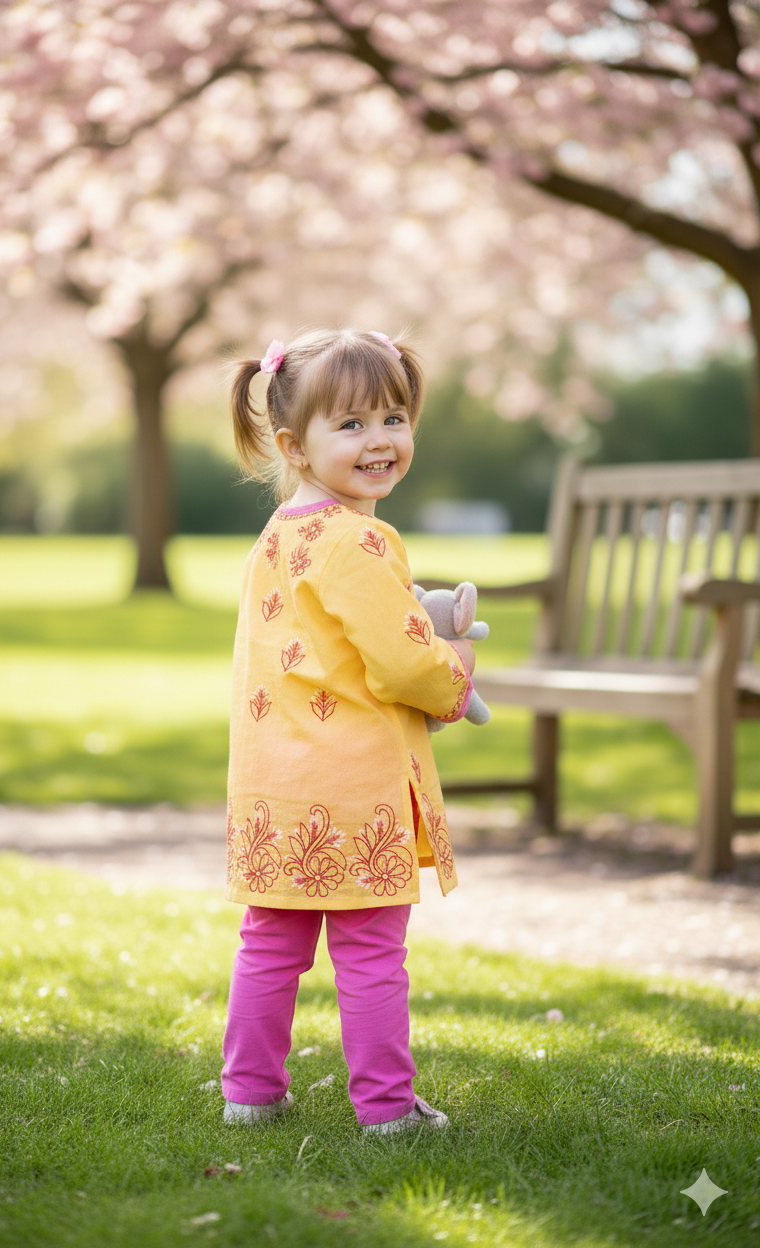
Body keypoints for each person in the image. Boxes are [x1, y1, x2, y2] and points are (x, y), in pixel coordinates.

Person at [221, 328, 477, 1133]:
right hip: (353, 787)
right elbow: (406, 666)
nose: (380, 441)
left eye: (395, 418)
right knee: (370, 954)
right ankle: (387, 1111)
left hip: (276, 790)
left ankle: (250, 1096)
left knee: (270, 945)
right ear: (296, 446)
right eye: (353, 424)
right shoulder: (358, 538)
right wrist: (456, 665)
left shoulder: (278, 538)